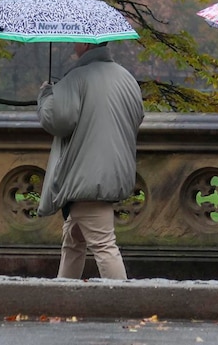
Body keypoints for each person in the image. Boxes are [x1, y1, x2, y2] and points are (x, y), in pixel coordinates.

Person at [36, 41, 144, 280]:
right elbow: (137, 117)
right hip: (112, 170)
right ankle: (64, 302)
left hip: (87, 176)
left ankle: (123, 307)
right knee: (73, 242)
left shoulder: (77, 77)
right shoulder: (126, 78)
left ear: (85, 43)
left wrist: (45, 95)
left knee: (104, 245)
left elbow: (57, 121)